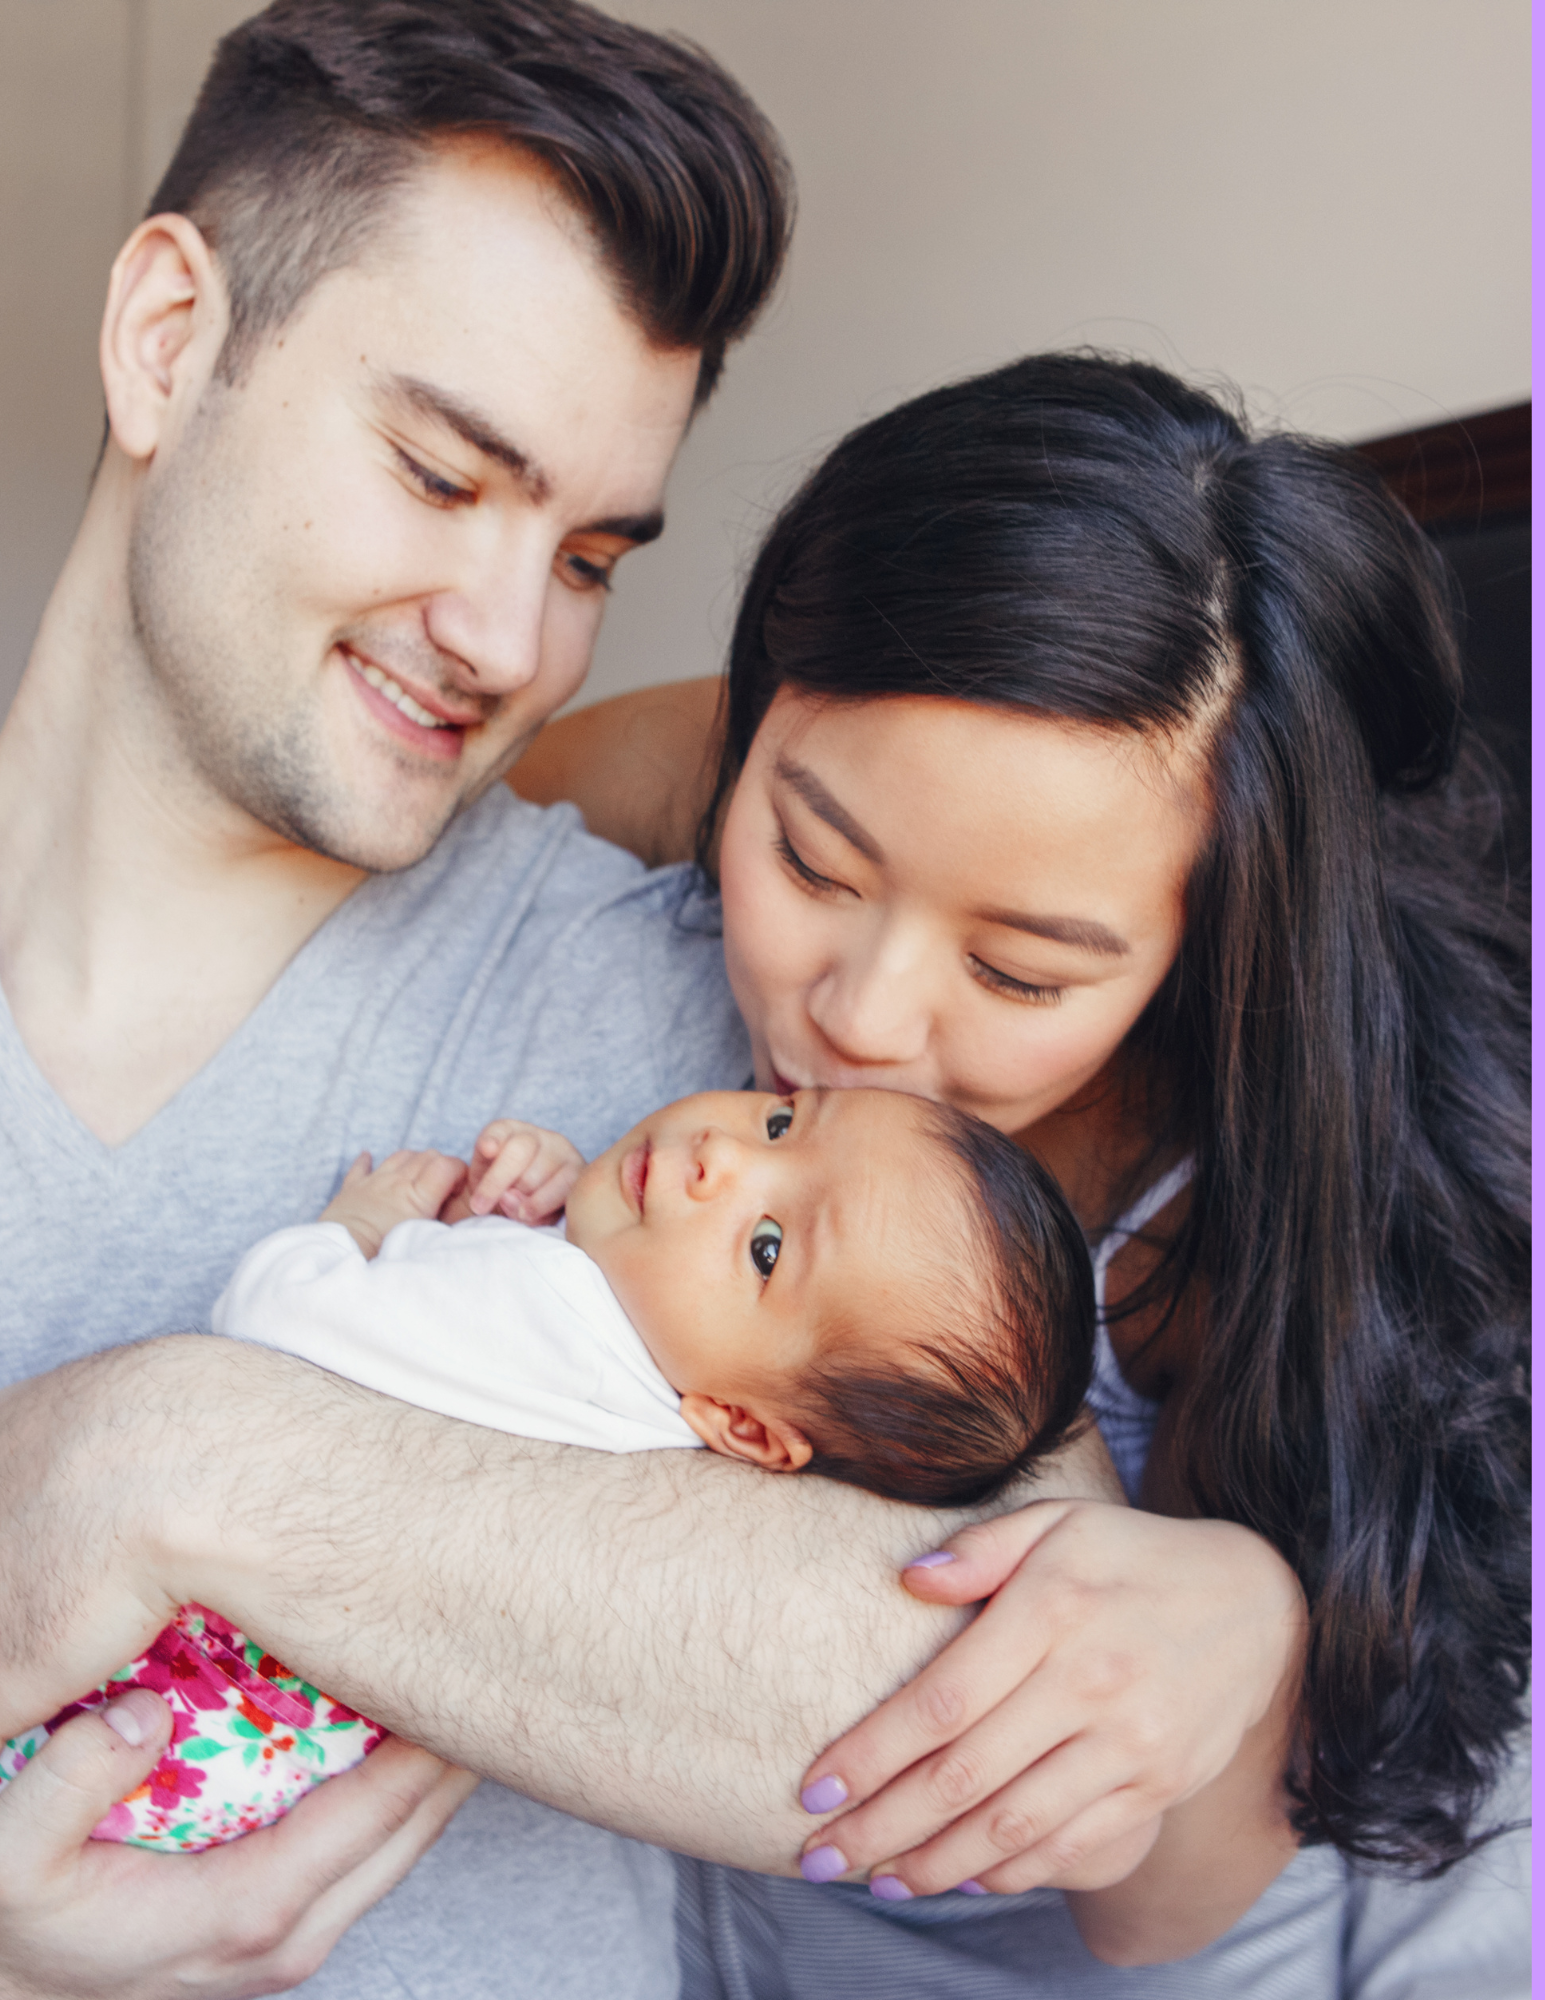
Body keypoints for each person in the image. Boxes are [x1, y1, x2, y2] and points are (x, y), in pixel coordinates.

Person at [1, 354, 1527, 1999]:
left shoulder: (1289, 1236)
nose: (858, 1018)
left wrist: (1255, 1632)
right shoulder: (718, 779)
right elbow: (416, 861)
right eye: (809, 859)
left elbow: (1156, 1916)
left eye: (1018, 974)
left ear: (1215, 947)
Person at [0, 0, 805, 1992]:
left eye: (589, 555)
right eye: (443, 476)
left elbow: (993, 1659)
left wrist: (177, 1455)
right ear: (166, 341)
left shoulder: (684, 1054)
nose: (510, 640)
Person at [4, 1087, 1098, 1854]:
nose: (723, 1155)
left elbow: (274, 1325)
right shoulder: (688, 1435)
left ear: (746, 1427)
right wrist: (580, 1211)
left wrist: (358, 1226)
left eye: (766, 1246)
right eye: (781, 1120)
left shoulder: (554, 1309)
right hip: (240, 1767)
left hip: (156, 1684)